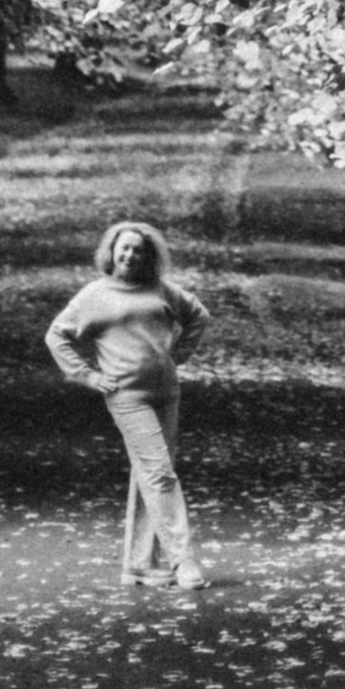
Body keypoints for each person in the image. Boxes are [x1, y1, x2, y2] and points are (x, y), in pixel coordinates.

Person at [45, 219, 209, 589]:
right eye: (125, 248)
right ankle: (183, 561)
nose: (131, 254)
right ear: (112, 251)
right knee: (160, 474)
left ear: (149, 256)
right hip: (127, 396)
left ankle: (138, 565)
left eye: (139, 249)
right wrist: (87, 375)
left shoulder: (162, 290)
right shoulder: (94, 295)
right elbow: (57, 335)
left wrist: (178, 354)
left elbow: (198, 315)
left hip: (166, 392)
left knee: (150, 474)